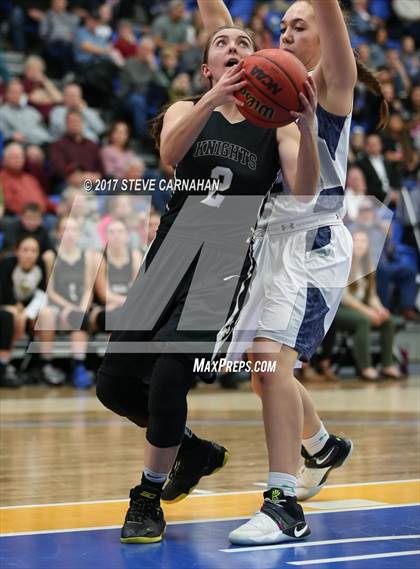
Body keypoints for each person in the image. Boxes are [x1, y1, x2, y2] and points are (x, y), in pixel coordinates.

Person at [95, 24, 320, 544]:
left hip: (222, 265)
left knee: (172, 374)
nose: (234, 47)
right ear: (207, 68)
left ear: (259, 61)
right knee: (113, 386)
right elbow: (171, 155)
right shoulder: (185, 108)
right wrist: (214, 98)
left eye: (244, 42)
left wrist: (307, 129)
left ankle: (148, 496)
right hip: (168, 258)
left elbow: (305, 193)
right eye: (222, 43)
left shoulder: (277, 126)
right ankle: (190, 450)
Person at [196, 0, 388, 546]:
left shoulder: (330, 88)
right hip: (264, 247)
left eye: (298, 26)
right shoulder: (259, 85)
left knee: (270, 366)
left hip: (311, 244)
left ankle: (282, 505)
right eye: (280, 27)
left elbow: (328, 18)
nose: (284, 33)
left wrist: (320, 11)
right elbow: (218, 26)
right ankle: (323, 447)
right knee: (264, 376)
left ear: (326, 39)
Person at [36, 217, 99, 388]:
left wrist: (81, 307)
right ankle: (46, 365)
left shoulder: (87, 257)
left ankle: (78, 366)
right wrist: (67, 307)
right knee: (46, 314)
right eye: (64, 229)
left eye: (72, 229)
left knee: (79, 317)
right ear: (57, 233)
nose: (69, 233)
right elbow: (50, 290)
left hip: (77, 308)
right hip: (58, 305)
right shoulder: (50, 256)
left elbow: (88, 289)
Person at [335, 230, 402, 380]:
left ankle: (387, 365)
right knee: (363, 321)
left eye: (363, 241)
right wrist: (368, 312)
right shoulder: (343, 263)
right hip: (339, 310)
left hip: (360, 308)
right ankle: (365, 367)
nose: (359, 245)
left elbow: (371, 295)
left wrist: (379, 309)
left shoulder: (368, 266)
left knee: (387, 320)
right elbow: (344, 298)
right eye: (356, 241)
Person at [0, 236, 47, 388]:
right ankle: (4, 366)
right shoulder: (8, 264)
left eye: (33, 251)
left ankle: (39, 365)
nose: (29, 254)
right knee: (9, 317)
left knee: (45, 316)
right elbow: (5, 292)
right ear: (17, 251)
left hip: (27, 309)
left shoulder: (40, 266)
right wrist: (17, 309)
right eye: (25, 250)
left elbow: (41, 294)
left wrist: (26, 314)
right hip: (7, 305)